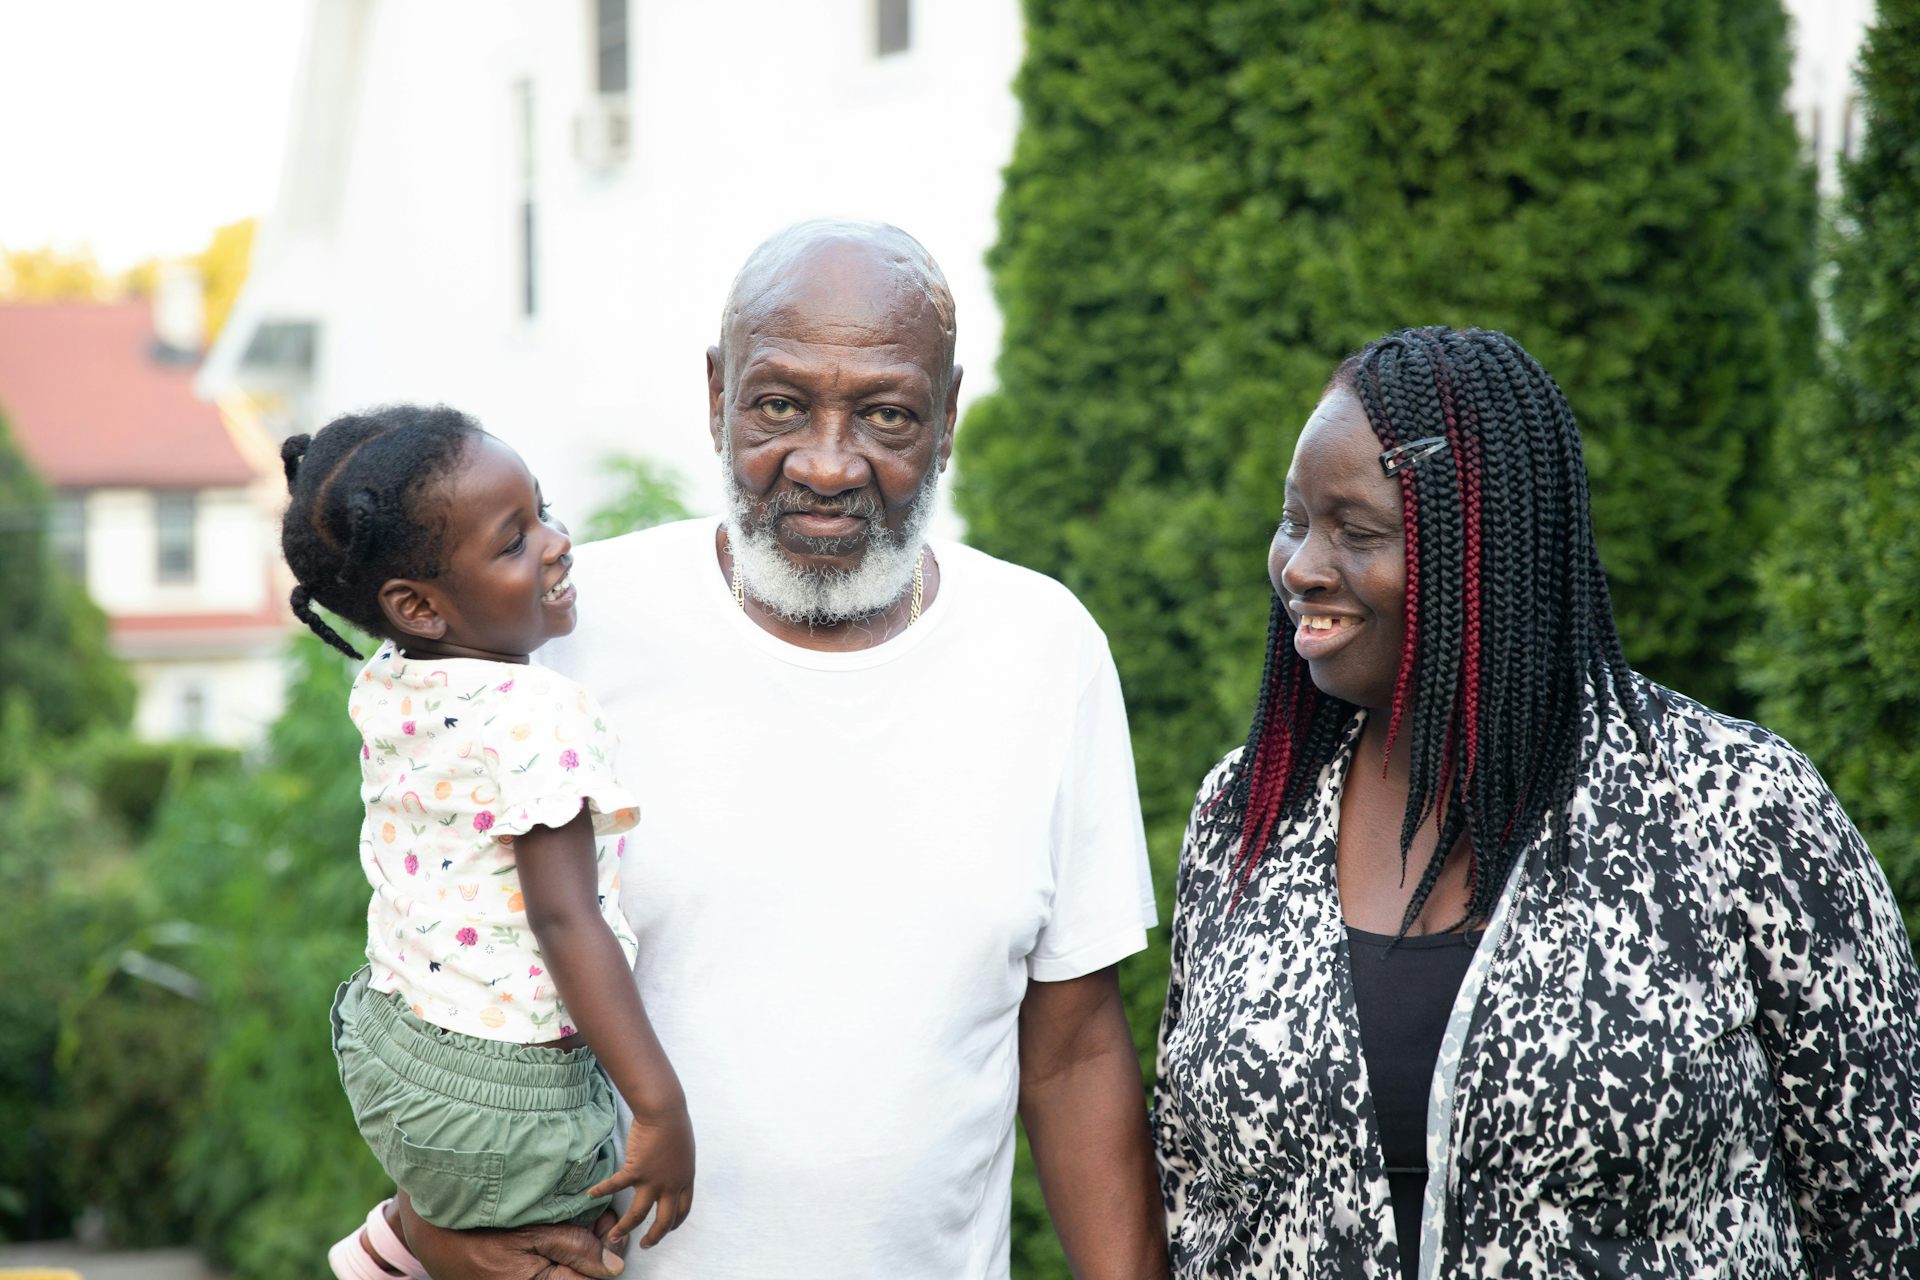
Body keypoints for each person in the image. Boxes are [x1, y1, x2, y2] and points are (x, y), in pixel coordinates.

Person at [395, 220, 1168, 1279]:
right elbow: (434, 966)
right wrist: (429, 1227)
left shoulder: (1045, 648)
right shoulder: (560, 638)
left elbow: (1076, 1049)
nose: (825, 461)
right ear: (716, 395)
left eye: (887, 414)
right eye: (779, 405)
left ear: (947, 421)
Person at [1153, 327, 1920, 1278]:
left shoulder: (1736, 807)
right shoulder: (1246, 809)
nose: (1301, 566)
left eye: (1355, 530)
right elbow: (1193, 1195)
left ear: (1486, 546)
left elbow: (1883, 1206)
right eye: (1295, 520)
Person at [278, 406, 695, 1280]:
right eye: (514, 542)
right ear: (419, 606)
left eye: (542, 511)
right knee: (573, 1257)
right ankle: (399, 1251)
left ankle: (397, 1242)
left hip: (387, 1042)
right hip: (502, 1101)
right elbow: (565, 916)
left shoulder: (392, 679)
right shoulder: (538, 713)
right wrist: (657, 1107)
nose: (556, 543)